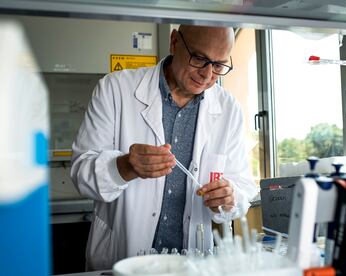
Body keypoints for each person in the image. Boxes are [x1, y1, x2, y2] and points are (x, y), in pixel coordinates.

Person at [71, 24, 257, 270]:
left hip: (192, 264)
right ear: (174, 42)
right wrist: (124, 166)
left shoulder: (228, 109)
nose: (207, 74)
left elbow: (243, 186)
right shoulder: (115, 89)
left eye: (219, 65)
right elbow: (81, 173)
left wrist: (229, 197)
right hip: (122, 260)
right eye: (199, 58)